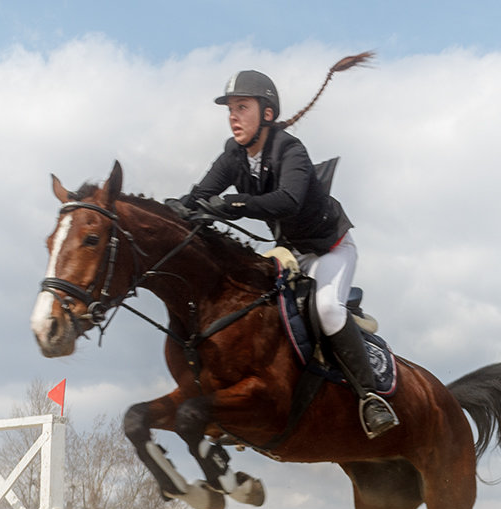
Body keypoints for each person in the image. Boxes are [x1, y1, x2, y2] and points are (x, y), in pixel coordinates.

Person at [169, 67, 398, 438]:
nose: (232, 116)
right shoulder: (234, 155)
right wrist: (175, 210)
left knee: (326, 308)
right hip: (292, 252)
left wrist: (233, 204)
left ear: (267, 114)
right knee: (258, 307)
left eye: (242, 107)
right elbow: (200, 194)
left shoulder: (290, 149)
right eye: (230, 109)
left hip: (331, 249)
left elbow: (288, 201)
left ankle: (370, 397)